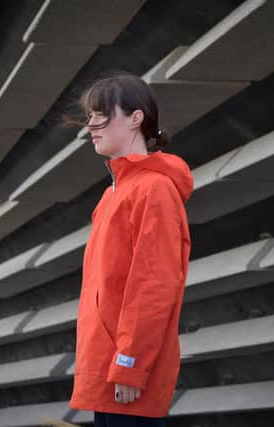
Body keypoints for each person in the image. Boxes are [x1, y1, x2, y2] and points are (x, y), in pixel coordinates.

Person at [63, 71, 193, 426]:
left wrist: (130, 363)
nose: (91, 125)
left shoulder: (154, 190)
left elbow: (153, 284)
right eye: (90, 116)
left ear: (136, 118)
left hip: (129, 373)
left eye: (102, 115)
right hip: (106, 368)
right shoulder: (112, 195)